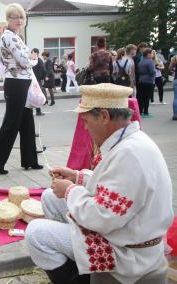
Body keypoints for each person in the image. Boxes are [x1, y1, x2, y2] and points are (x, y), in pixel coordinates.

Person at [25, 83, 173, 284]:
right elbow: (112, 185)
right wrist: (77, 177)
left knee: (36, 234)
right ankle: (83, 270)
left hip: (129, 255)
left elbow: (102, 216)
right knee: (50, 197)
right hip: (125, 234)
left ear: (104, 117)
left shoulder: (130, 154)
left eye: (86, 121)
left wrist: (70, 190)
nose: (85, 127)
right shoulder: (129, 142)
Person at [0, 3, 42, 175]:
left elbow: (24, 60)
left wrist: (30, 59)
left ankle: (30, 160)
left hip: (21, 82)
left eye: (21, 17)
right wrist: (34, 59)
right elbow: (25, 61)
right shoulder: (8, 36)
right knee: (11, 123)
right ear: (8, 19)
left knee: (27, 122)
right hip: (16, 83)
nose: (19, 20)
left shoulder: (16, 37)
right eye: (14, 17)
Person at [137, 48, 156, 117]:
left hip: (141, 80)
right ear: (148, 54)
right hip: (148, 81)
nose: (152, 55)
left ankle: (140, 111)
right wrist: (155, 72)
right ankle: (146, 112)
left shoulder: (141, 61)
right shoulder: (150, 61)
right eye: (151, 53)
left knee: (141, 97)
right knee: (147, 97)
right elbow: (152, 71)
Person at [30, 48, 47, 115]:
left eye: (32, 53)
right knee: (35, 95)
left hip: (34, 80)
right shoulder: (36, 60)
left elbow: (44, 71)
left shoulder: (36, 61)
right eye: (31, 53)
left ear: (36, 53)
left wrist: (41, 78)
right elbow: (44, 70)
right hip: (34, 81)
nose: (32, 54)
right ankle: (37, 111)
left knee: (34, 95)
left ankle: (37, 110)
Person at [170, 55, 177, 120]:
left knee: (175, 97)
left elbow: (170, 68)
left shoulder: (175, 57)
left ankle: (175, 115)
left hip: (176, 80)